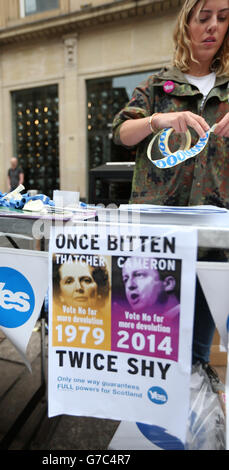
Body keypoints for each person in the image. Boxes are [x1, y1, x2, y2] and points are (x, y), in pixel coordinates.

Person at [112, 0, 229, 373]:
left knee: (197, 352)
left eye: (223, 18)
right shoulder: (157, 85)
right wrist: (159, 119)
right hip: (157, 236)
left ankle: (195, 419)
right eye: (204, 17)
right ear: (187, 24)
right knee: (150, 340)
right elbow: (121, 133)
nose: (213, 26)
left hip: (216, 238)